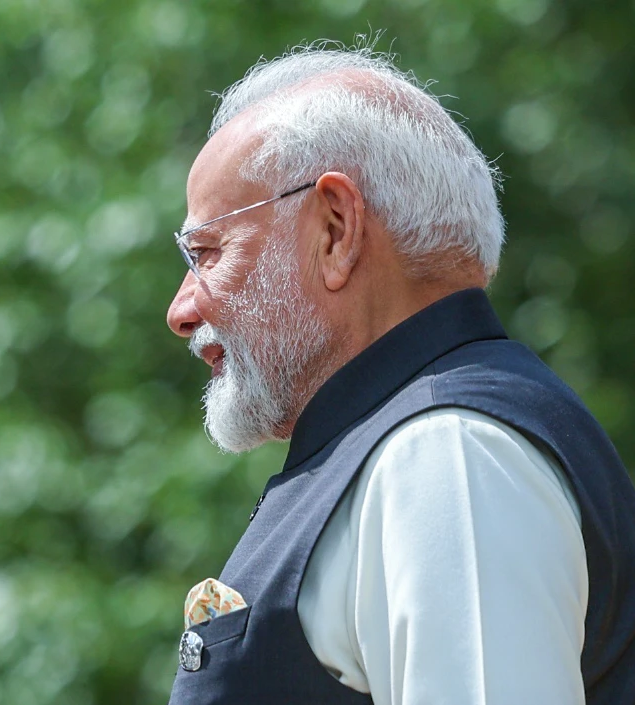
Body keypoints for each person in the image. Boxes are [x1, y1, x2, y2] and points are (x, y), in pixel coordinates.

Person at [164, 43, 635, 704]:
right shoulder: (431, 444)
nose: (181, 310)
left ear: (336, 230)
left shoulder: (448, 452)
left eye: (208, 252)